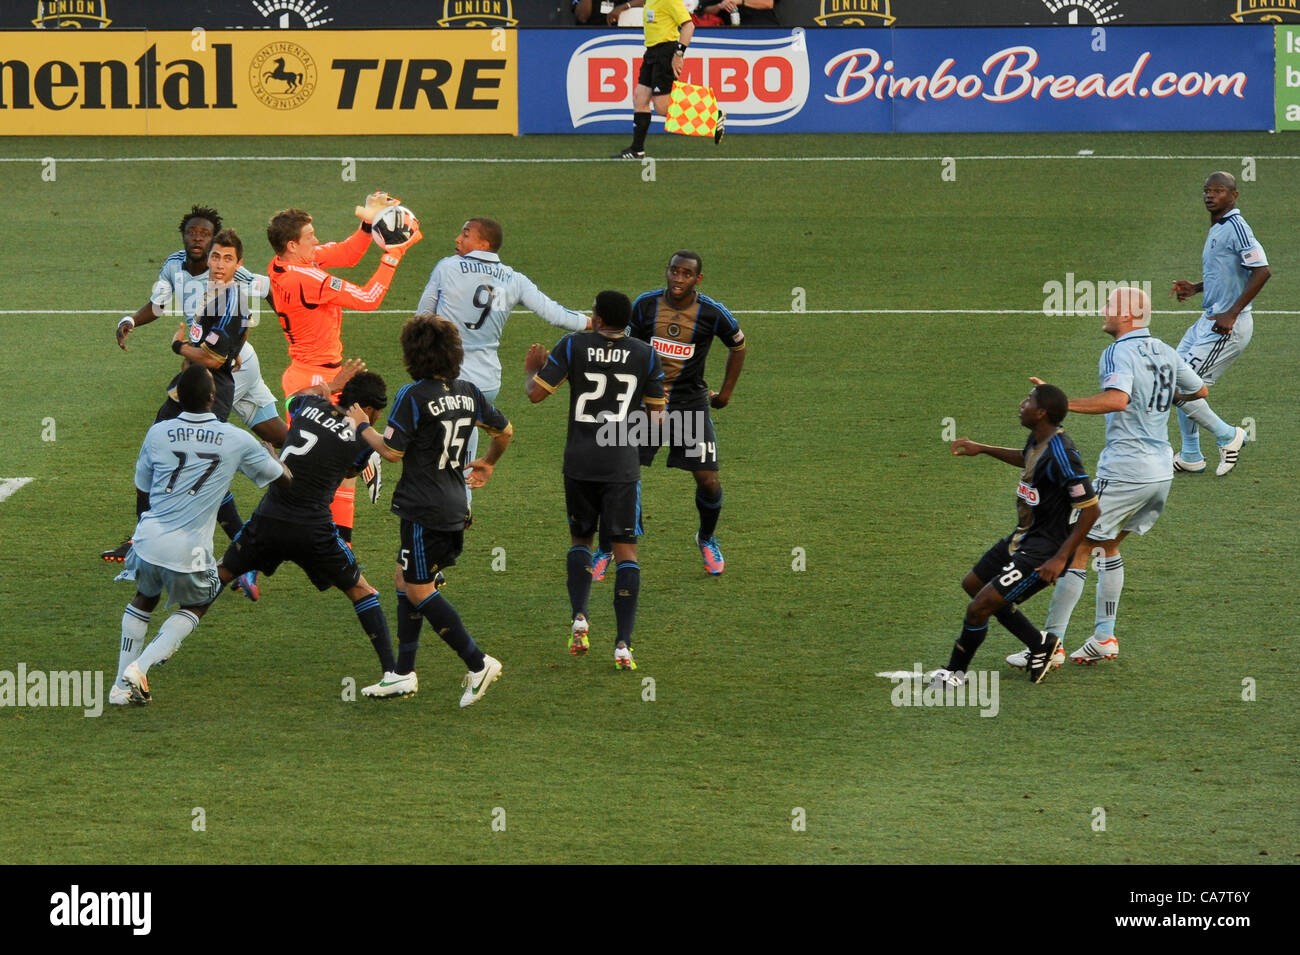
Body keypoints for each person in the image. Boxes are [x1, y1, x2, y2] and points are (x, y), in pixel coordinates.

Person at [1009, 286, 1207, 670]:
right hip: (1160, 471)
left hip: (1127, 469)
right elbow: (1199, 389)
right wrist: (1159, 399)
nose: (1103, 309)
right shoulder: (1166, 350)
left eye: (1111, 306)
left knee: (1074, 548)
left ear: (1130, 313)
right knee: (1108, 546)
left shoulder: (1118, 351)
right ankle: (1104, 638)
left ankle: (1051, 646)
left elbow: (1117, 400)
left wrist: (1060, 406)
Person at [104, 206, 286, 563]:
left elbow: (265, 294)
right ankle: (351, 454)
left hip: (223, 367)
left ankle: (237, 547)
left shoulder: (232, 277)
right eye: (193, 233)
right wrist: (130, 320)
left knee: (192, 451)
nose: (199, 239)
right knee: (278, 435)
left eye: (206, 234)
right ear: (184, 236)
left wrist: (293, 321)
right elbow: (158, 305)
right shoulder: (175, 265)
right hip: (211, 363)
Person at [353, 315, 512, 708]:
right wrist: (488, 462)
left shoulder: (414, 395)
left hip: (425, 509)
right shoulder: (469, 391)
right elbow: (505, 431)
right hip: (456, 503)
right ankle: (402, 674)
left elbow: (391, 452)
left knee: (419, 589)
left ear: (414, 353)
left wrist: (361, 427)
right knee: (403, 577)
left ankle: (478, 663)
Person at [113, 365, 289, 706]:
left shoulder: (158, 433)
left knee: (144, 598)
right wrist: (273, 457)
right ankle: (141, 666)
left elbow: (142, 489)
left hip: (148, 539)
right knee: (199, 601)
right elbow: (284, 481)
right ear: (213, 397)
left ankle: (119, 690)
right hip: (188, 550)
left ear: (178, 397)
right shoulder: (235, 439)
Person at [216, 371, 402, 694]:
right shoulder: (361, 437)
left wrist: (328, 386)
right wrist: (364, 435)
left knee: (221, 572)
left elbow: (292, 399)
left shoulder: (308, 404)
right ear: (369, 410)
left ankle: (163, 644)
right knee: (361, 589)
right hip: (313, 529)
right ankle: (392, 671)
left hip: (270, 515)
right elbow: (350, 470)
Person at [266, 193, 421, 545]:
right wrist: (393, 255)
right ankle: (266, 546)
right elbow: (368, 299)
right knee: (313, 473)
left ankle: (341, 542)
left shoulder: (284, 265)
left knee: (336, 468)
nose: (317, 241)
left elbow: (348, 254)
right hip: (315, 381)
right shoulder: (306, 280)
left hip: (314, 372)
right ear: (292, 245)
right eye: (310, 237)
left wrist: (368, 223)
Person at [525, 290, 666, 670]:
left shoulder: (573, 345)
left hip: (579, 463)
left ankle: (580, 617)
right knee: (626, 552)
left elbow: (536, 394)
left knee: (581, 539)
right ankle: (623, 644)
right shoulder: (646, 354)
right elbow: (657, 421)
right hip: (620, 465)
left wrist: (530, 371)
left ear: (598, 318)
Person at [415, 216, 589, 504]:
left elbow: (423, 317)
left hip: (446, 376)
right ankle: (463, 508)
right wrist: (594, 322)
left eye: (465, 234)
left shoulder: (447, 267)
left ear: (484, 243)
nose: (458, 239)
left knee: (435, 446)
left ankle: (439, 506)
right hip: (486, 382)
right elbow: (555, 314)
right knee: (465, 436)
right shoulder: (514, 278)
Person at [937, 383, 1101, 688]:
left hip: (1044, 550)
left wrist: (1060, 558)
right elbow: (1026, 457)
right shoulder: (1039, 438)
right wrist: (983, 448)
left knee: (979, 608)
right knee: (973, 585)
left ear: (1041, 413)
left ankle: (954, 674)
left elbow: (1091, 511)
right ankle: (1041, 644)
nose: (1021, 404)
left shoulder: (1063, 455)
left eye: (1028, 401)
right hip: (1023, 537)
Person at [610, 250, 745, 578]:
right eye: (674, 271)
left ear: (698, 279)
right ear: (667, 271)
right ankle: (612, 544)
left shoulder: (713, 313)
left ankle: (707, 538)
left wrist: (725, 393)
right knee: (621, 474)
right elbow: (624, 348)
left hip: (690, 403)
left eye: (686, 274)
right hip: (648, 402)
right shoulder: (645, 305)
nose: (678, 279)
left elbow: (738, 346)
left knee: (708, 480)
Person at [1170, 172, 1270, 477]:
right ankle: (1190, 455)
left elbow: (1262, 271)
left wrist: (1232, 314)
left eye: (1218, 191)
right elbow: (1228, 271)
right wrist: (1197, 288)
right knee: (1174, 376)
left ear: (1233, 195)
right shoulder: (1219, 226)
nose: (1210, 196)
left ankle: (1229, 435)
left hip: (1226, 327)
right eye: (1206, 191)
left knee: (1182, 388)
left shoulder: (1238, 227)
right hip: (1208, 320)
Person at [608, 0, 725, 158]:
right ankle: (637, 150)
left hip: (665, 53)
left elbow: (689, 26)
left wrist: (678, 54)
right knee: (640, 98)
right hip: (651, 52)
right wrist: (624, 7)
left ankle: (712, 115)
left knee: (662, 107)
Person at [697, 0, 778, 25]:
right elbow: (705, 9)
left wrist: (740, 1)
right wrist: (720, 6)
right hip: (732, 33)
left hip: (763, 29)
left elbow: (769, 3)